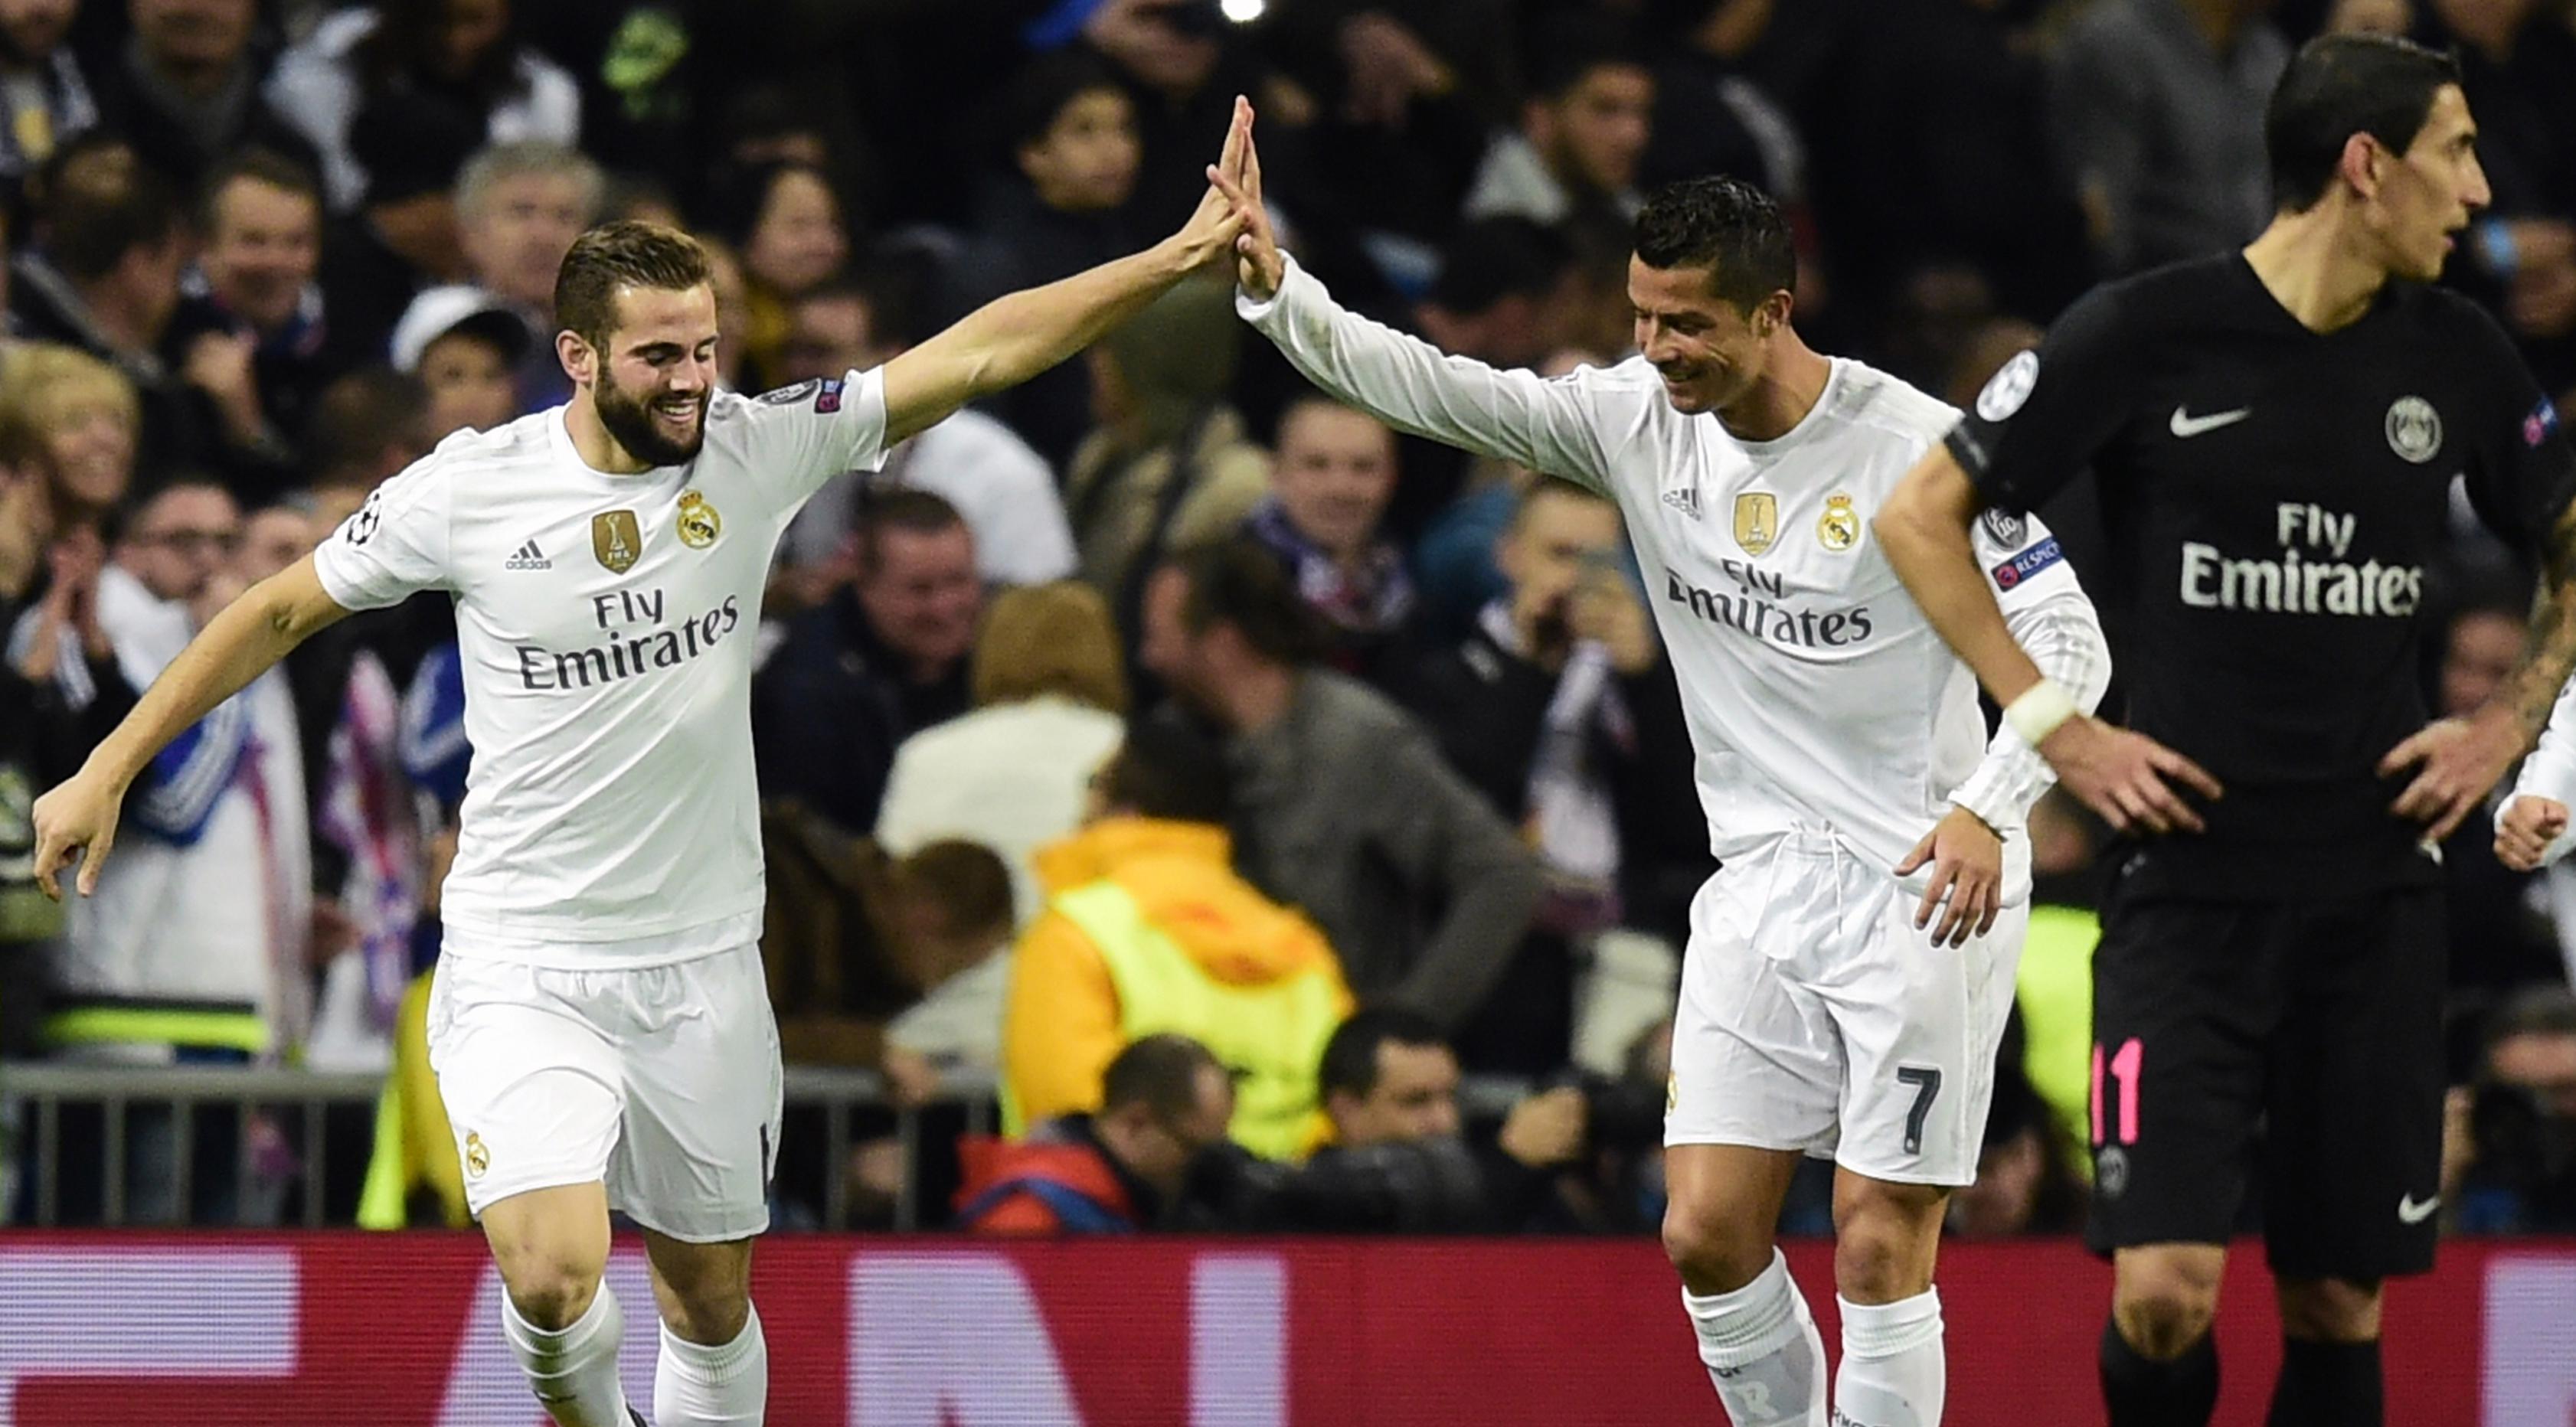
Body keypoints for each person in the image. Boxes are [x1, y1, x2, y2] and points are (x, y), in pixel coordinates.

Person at [28, 98, 1254, 1425]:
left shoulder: (757, 445)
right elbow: (274, 609)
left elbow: (982, 350)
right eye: (660, 355)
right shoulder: (473, 489)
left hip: (700, 961)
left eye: (707, 350)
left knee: (707, 1300)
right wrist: (106, 766)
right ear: (577, 355)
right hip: (522, 953)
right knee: (553, 1277)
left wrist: (1169, 259)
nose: (691, 381)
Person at [1218, 111, 2110, 1425]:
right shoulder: (1635, 418)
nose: (1656, 347)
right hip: (1757, 883)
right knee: (1702, 1231)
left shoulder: (1920, 450)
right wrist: (1279, 292)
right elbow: (1433, 386)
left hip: (1925, 877)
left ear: (1772, 312)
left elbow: (2072, 640)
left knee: (1876, 1241)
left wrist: (1990, 805)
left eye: (1687, 323)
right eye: (1642, 316)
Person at [1873, 35, 2576, 1427]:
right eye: (2453, 152)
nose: (2477, 191)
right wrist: (2059, 728)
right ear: (2364, 165)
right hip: (2184, 895)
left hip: (2374, 894)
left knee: (2336, 1299)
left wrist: (2505, 720)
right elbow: (1919, 516)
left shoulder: (2456, 353)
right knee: (2162, 1293)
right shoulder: (2145, 331)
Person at [1001, 714, 1352, 1159]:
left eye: (1092, 784)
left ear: (1123, 809)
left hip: (1122, 1198)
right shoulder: (1299, 944)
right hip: (1289, 1194)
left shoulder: (1077, 930)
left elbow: (1067, 1107)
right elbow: (1347, 1096)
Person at [954, 1031, 1237, 1234]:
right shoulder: (1031, 1216)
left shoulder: (1132, 1205)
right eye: (1192, 1148)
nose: (1204, 1167)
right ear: (1135, 1123)